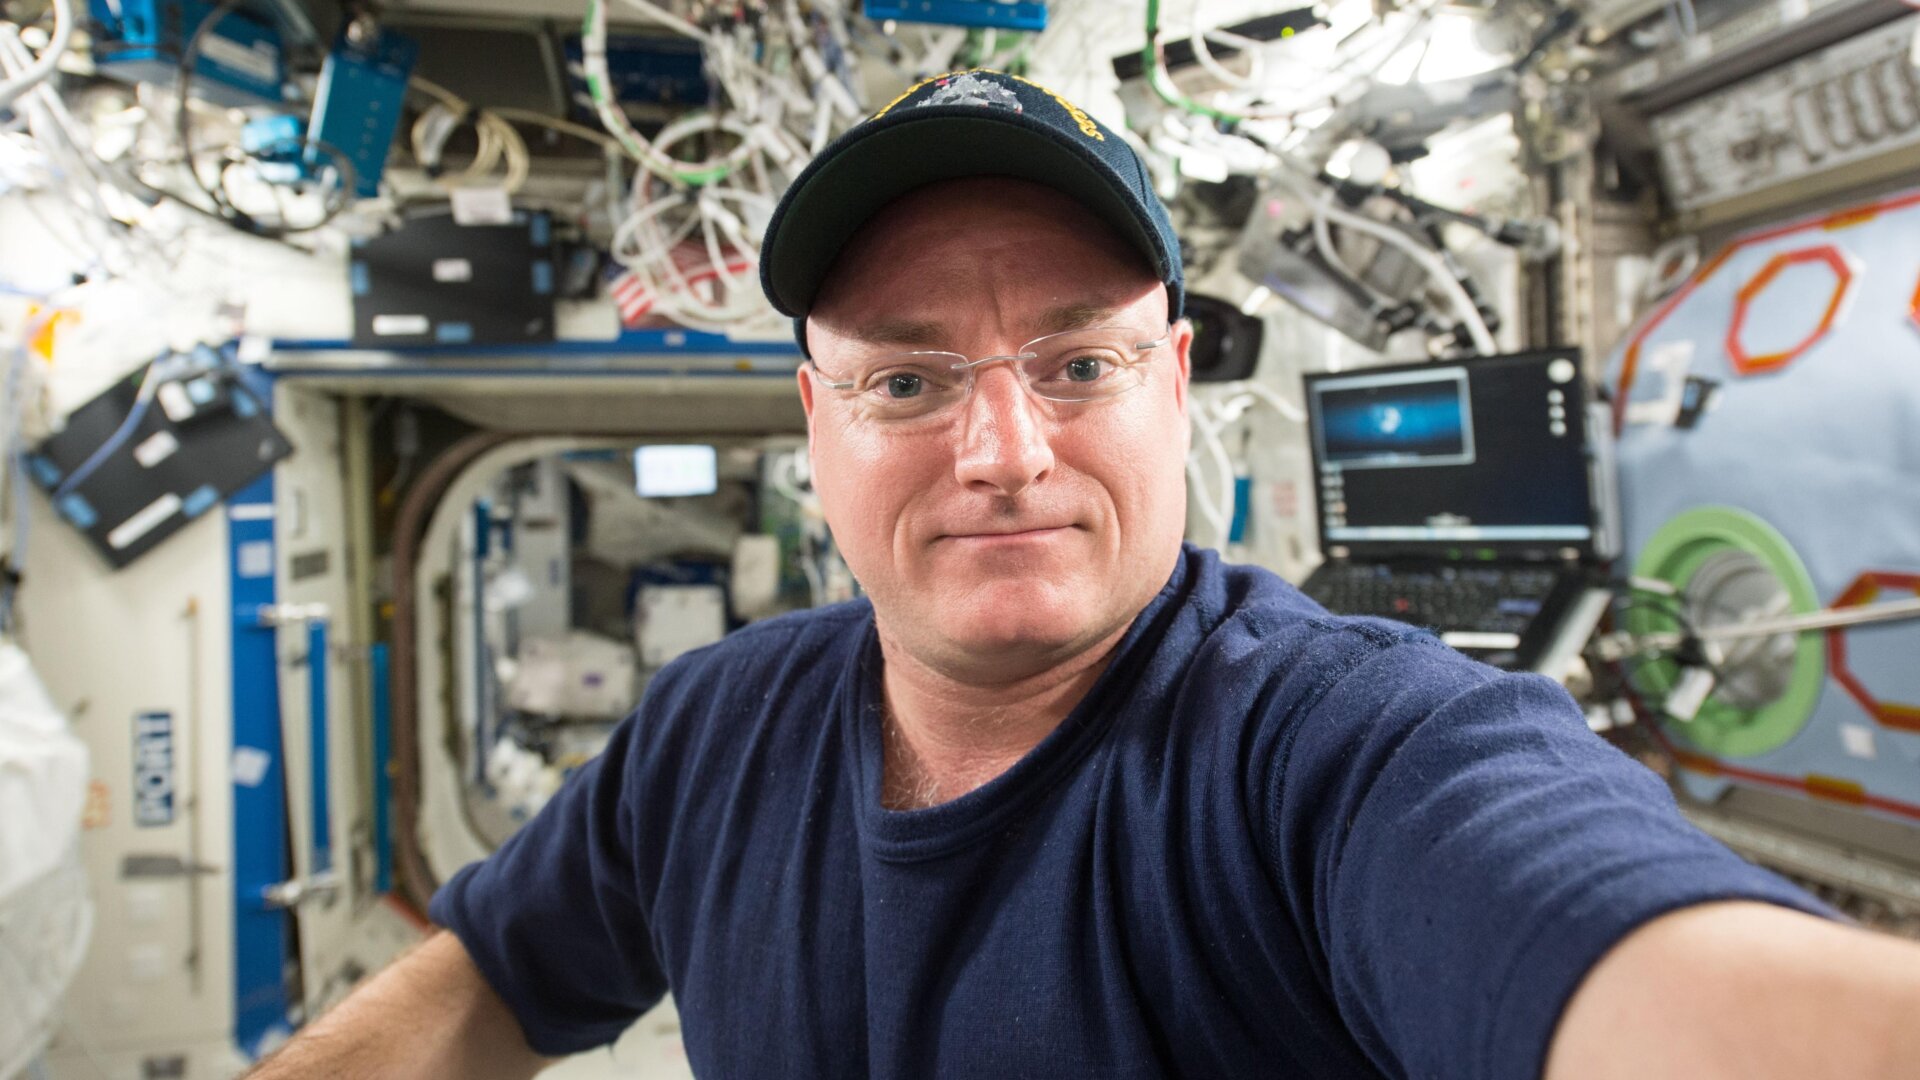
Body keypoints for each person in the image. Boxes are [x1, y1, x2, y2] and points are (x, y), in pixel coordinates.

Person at [250, 70, 1920, 1079]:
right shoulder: (712, 734)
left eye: (1075, 366)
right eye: (907, 381)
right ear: (814, 423)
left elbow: (1629, 961)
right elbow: (487, 979)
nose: (1004, 453)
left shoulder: (1340, 754)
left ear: (1175, 382)